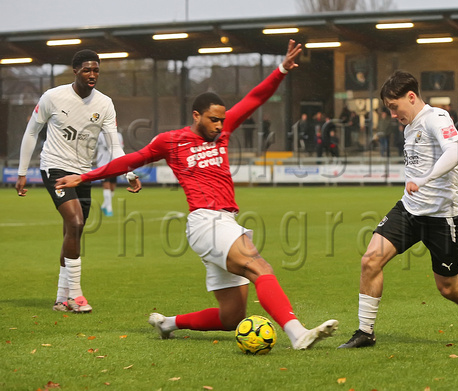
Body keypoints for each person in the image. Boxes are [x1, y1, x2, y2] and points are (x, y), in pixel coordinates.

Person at [55, 40, 338, 350]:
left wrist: (282, 69)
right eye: (213, 120)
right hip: (206, 221)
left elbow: (255, 98)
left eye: (222, 120)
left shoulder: (223, 130)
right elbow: (130, 160)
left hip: (224, 221)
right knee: (261, 267)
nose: (219, 125)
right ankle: (297, 334)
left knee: (232, 317)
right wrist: (85, 175)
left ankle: (168, 323)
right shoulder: (171, 142)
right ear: (196, 116)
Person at [338, 71, 458, 349]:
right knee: (370, 260)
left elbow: (454, 153)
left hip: (442, 218)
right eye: (388, 109)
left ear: (411, 97)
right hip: (409, 211)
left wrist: (424, 179)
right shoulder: (410, 125)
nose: (393, 114)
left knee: (448, 288)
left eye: (394, 106)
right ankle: (365, 332)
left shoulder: (437, 118)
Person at [15, 49, 140, 313]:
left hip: (83, 174)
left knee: (74, 231)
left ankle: (61, 299)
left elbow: (114, 146)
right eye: (87, 70)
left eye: (96, 70)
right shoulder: (53, 97)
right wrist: (22, 172)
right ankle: (76, 295)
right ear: (75, 71)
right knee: (75, 222)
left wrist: (129, 173)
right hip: (56, 169)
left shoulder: (104, 103)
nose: (92, 74)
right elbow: (31, 132)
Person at [96, 131, 124, 216]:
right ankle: (109, 208)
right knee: (106, 185)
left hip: (114, 163)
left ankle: (104, 205)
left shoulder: (118, 135)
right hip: (103, 164)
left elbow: (121, 148)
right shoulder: (99, 135)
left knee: (112, 186)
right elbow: (94, 148)